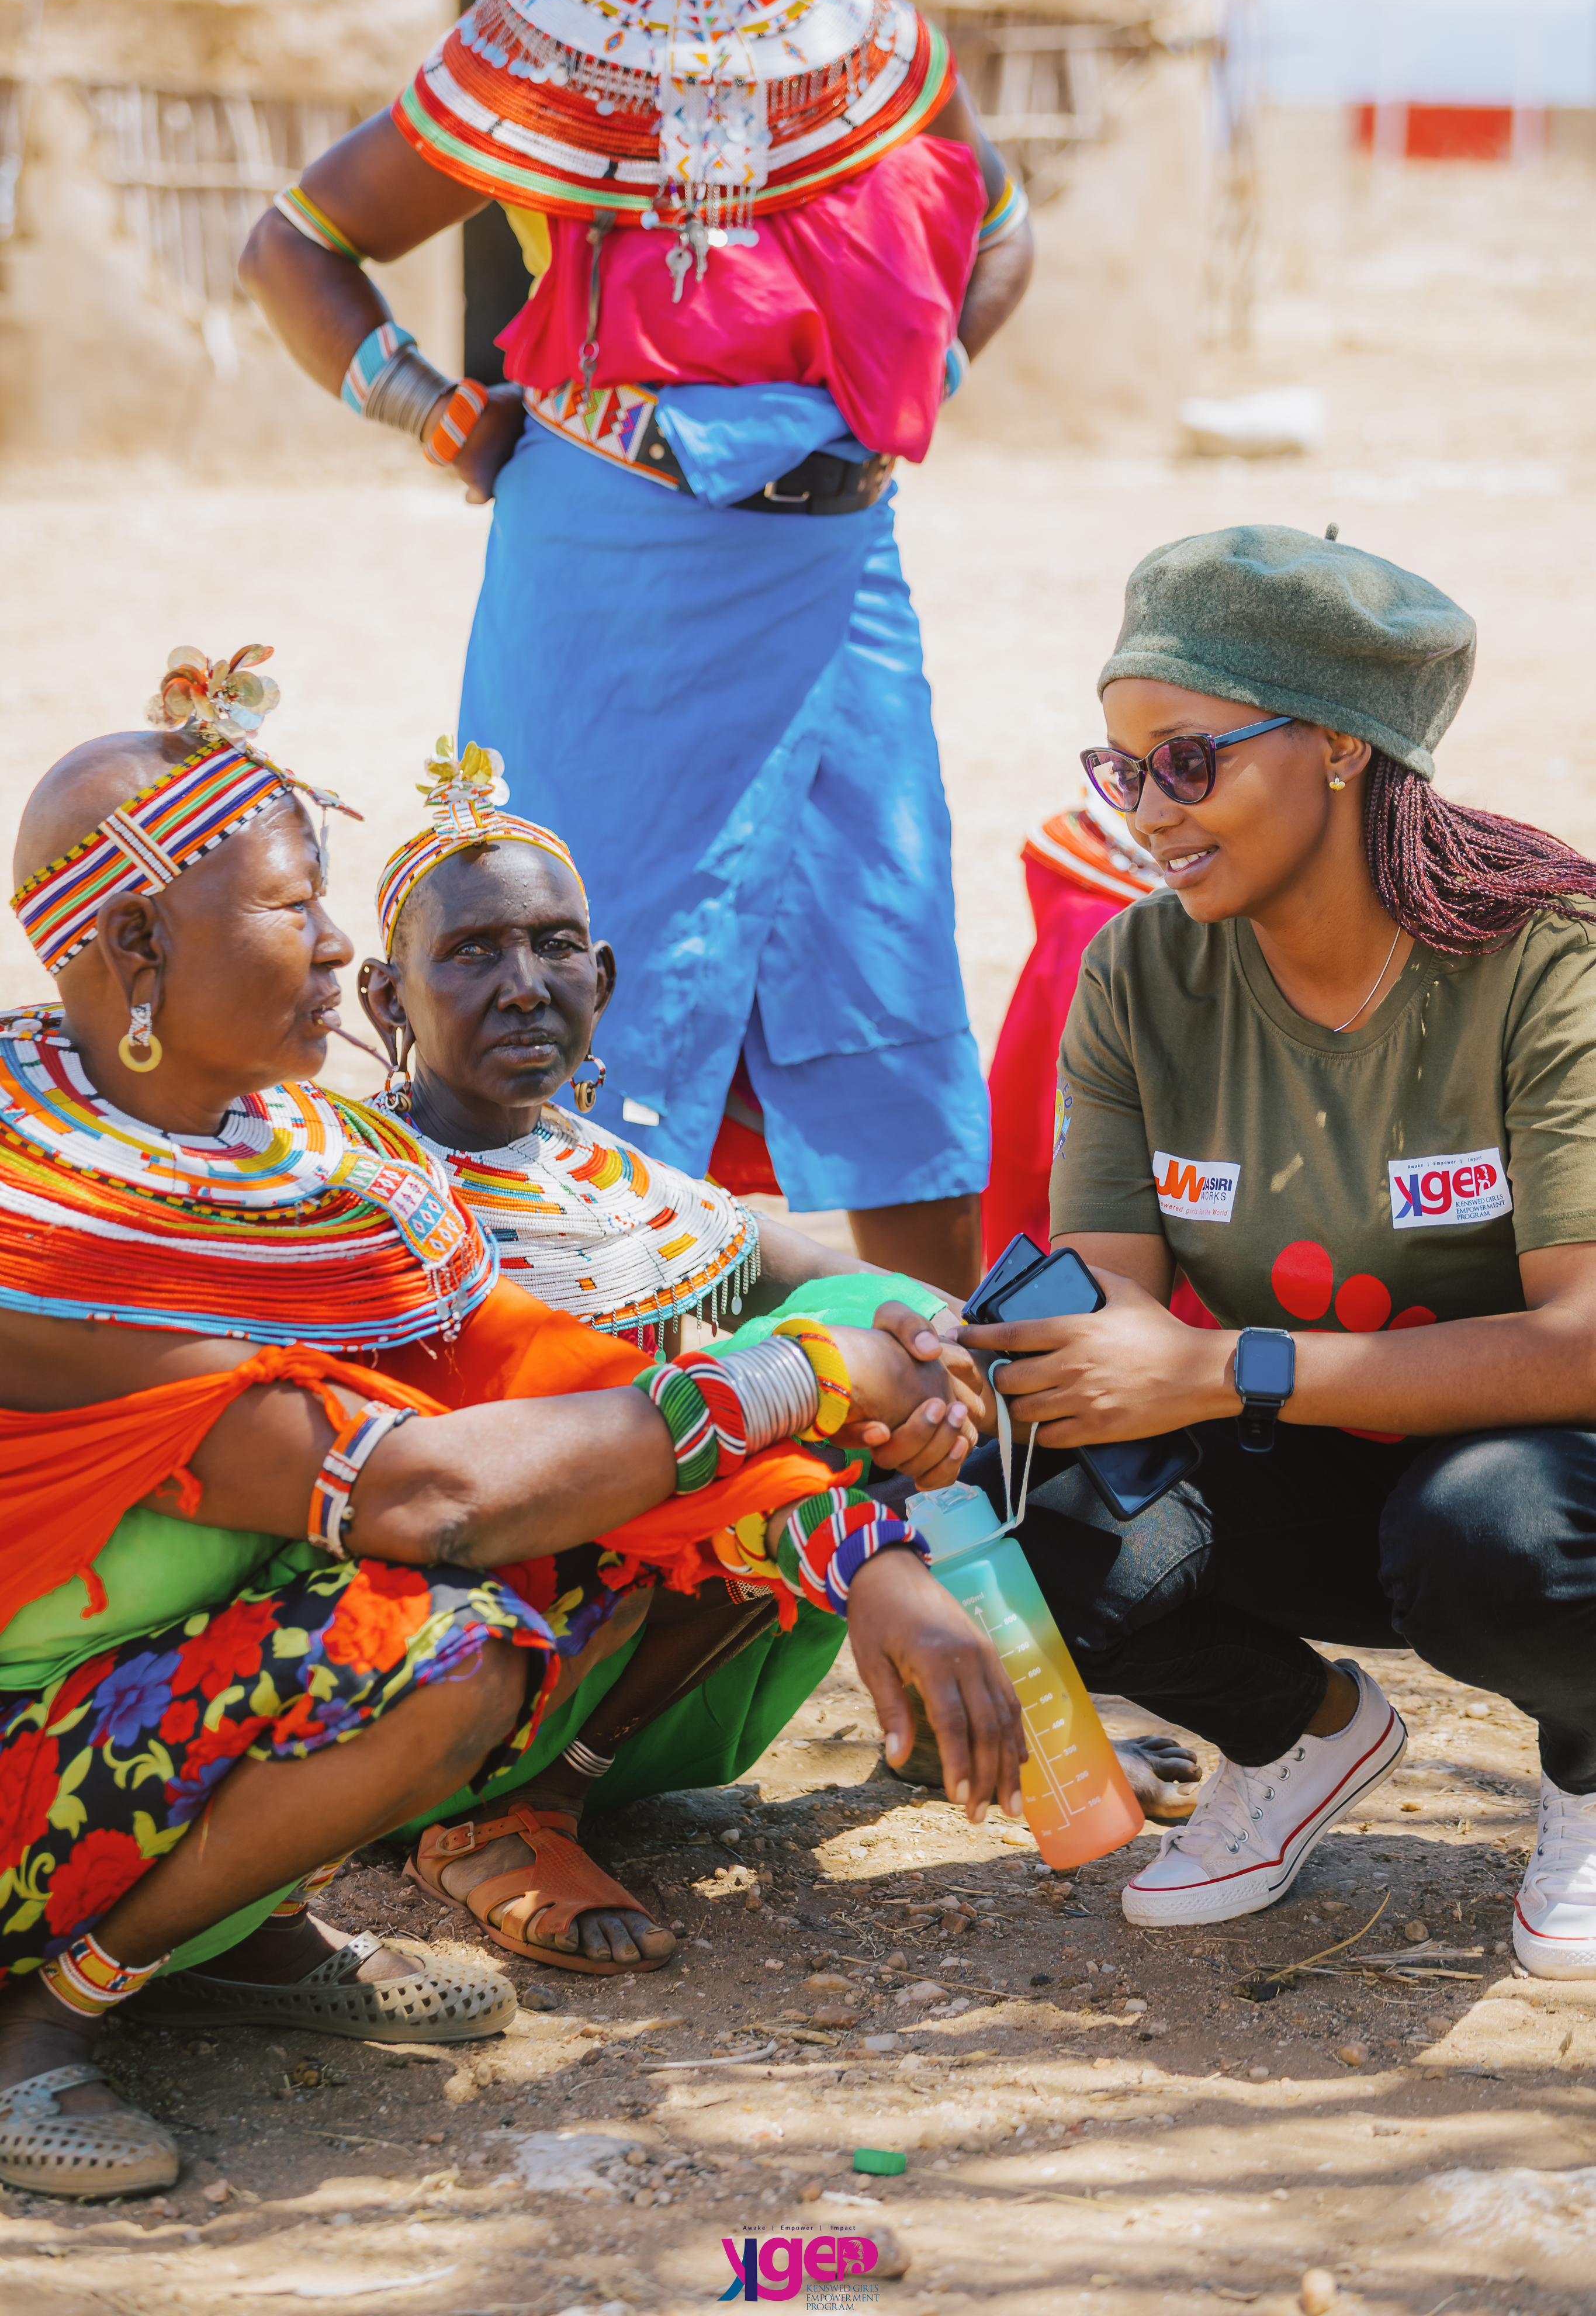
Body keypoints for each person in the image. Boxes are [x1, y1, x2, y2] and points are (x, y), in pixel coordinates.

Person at [0, 646, 1023, 2196]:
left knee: (576, 1514)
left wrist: (864, 1545)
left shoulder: (324, 1189)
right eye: (295, 911)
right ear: (138, 944)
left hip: (147, 1682)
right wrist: (801, 1384)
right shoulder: (44, 1243)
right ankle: (45, 2023)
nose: (338, 949)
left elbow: (551, 1383)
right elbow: (426, 1498)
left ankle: (241, 1931)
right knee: (441, 1630)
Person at [238, 0, 1036, 1300]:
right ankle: (601, 1396)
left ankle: (950, 1413)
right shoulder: (541, 34)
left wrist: (911, 382)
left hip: (841, 580)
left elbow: (1003, 232)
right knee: (563, 970)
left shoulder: (863, 37)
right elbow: (294, 243)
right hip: (611, 579)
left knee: (877, 957)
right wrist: (438, 415)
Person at [355, 741, 1203, 1858]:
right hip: (436, 1680)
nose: (525, 984)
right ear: (386, 996)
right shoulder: (364, 1195)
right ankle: (523, 1813)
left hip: (659, 1617)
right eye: (470, 952)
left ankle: (979, 1709)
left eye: (555, 947)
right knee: (789, 1393)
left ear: (602, 982)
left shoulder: (618, 1182)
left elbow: (867, 1298)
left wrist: (954, 1360)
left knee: (886, 1330)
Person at [959, 523, 1596, 1971]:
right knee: (996, 1476)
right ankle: (1291, 1733)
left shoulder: (1549, 960)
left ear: (1334, 746)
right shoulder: (1143, 969)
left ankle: (1590, 1757)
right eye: (1121, 768)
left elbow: (1585, 1340)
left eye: (1188, 760)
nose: (1145, 811)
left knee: (1489, 1524)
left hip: (1542, 1476)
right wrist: (1001, 1369)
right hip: (1298, 1454)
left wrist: (1214, 1361)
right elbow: (1106, 1291)